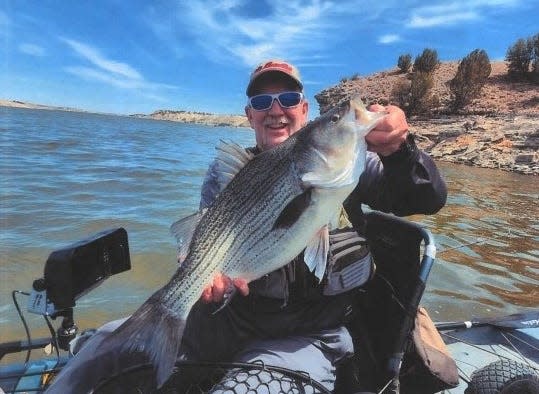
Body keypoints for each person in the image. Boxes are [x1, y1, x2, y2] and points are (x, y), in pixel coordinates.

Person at [45, 59, 446, 393]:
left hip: (307, 334)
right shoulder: (225, 175)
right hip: (232, 320)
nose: (276, 109)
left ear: (305, 111)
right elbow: (204, 250)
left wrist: (400, 150)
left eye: (288, 98)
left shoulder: (356, 169)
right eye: (262, 100)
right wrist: (206, 288)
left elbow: (427, 199)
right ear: (249, 114)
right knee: (100, 352)